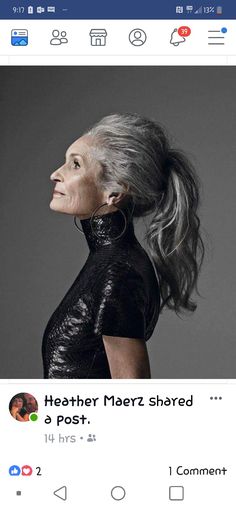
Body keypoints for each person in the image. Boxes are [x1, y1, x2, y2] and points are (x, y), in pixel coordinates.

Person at [42, 113, 204, 379]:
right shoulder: (110, 264)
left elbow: (132, 401)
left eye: (75, 165)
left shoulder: (118, 273)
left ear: (115, 191)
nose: (55, 174)